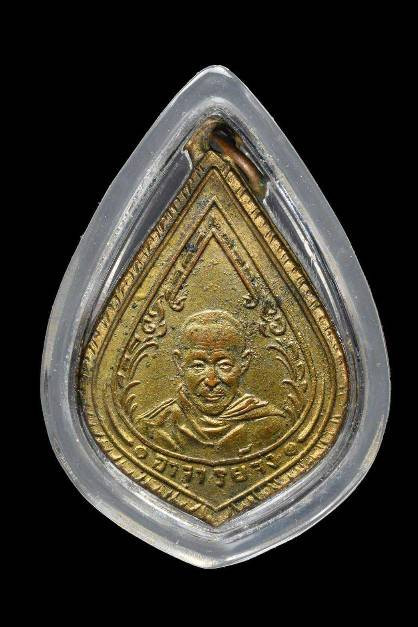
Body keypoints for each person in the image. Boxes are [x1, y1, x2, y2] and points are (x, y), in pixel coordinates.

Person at [136, 309, 292, 459]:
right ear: (179, 363)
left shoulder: (271, 425)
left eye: (224, 365)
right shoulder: (153, 428)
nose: (211, 381)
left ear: (244, 362)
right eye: (198, 366)